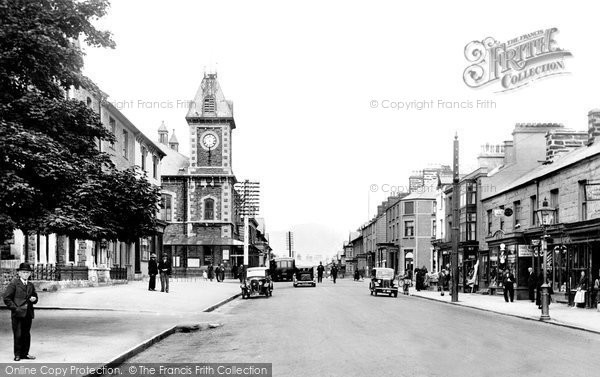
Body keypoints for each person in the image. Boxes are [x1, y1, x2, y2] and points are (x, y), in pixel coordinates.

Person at [3, 263, 38, 361]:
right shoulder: (14, 284)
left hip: (28, 313)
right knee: (18, 334)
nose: (26, 274)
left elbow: (35, 297)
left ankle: (25, 353)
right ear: (19, 273)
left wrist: (34, 299)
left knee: (26, 334)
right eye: (23, 272)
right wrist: (15, 308)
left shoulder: (31, 285)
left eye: (27, 272)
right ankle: (17, 354)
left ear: (30, 274)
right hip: (17, 313)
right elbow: (6, 298)